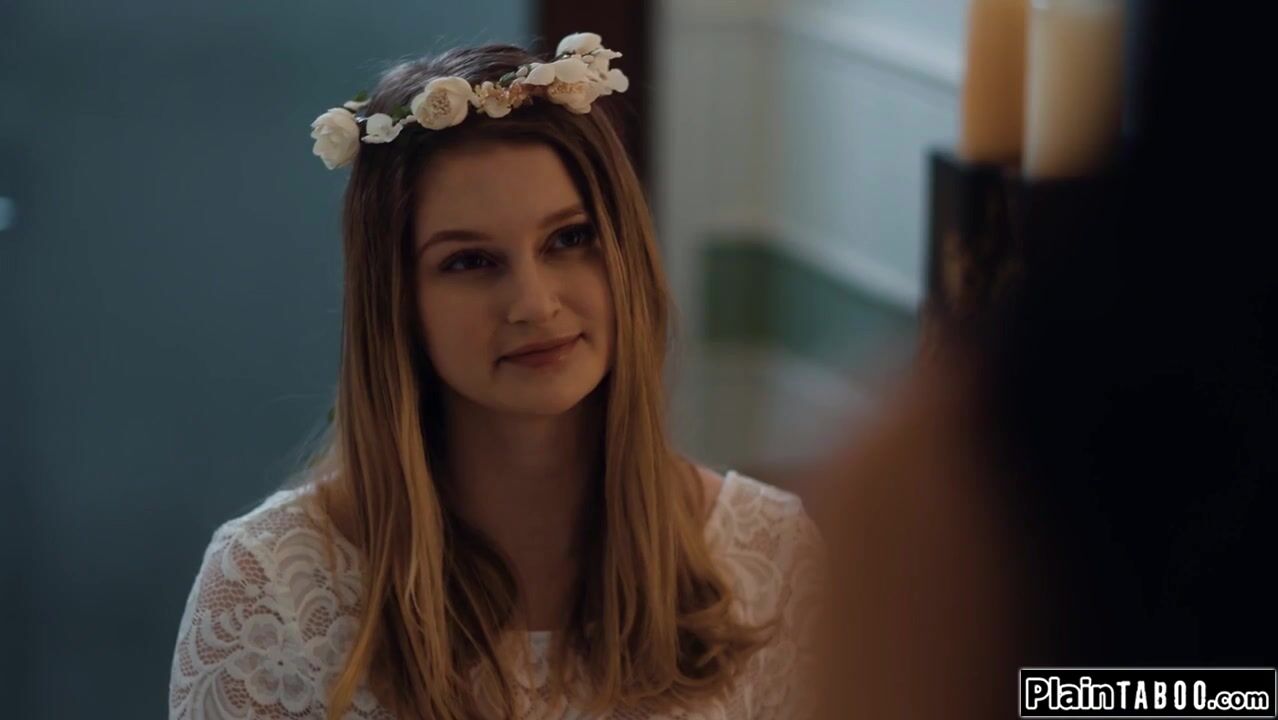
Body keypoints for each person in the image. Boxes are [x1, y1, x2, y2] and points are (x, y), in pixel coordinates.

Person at [167, 33, 823, 720]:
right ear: (398, 304)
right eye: (470, 262)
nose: (534, 304)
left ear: (626, 255)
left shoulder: (770, 556)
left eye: (569, 239)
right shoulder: (268, 588)